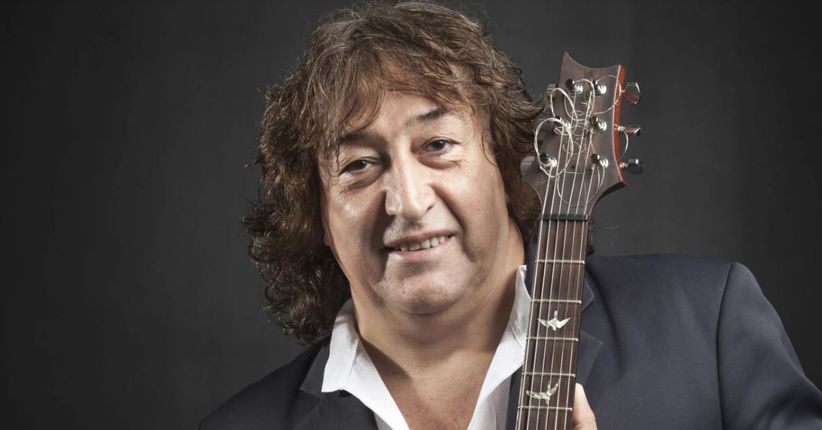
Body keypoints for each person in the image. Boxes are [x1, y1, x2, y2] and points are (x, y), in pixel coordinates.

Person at [201, 2, 822, 429]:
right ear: (314, 210)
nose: (408, 201)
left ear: (506, 160)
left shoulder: (704, 327)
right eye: (359, 165)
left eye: (438, 145)